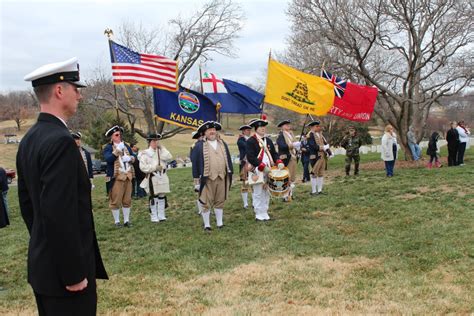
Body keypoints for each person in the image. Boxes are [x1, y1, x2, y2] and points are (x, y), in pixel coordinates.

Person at [17, 57, 108, 315]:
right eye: (75, 88)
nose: (79, 95)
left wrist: (46, 246)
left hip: (45, 269)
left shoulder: (31, 139)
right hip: (66, 280)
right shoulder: (60, 142)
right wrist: (72, 273)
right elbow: (58, 214)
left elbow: (29, 208)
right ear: (59, 91)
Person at [192, 121, 233, 230]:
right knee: (206, 201)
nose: (212, 132)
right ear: (204, 132)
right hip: (207, 178)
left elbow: (228, 159)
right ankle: (207, 225)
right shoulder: (199, 145)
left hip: (221, 176)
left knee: (220, 200)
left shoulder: (222, 144)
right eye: (209, 130)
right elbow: (195, 163)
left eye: (213, 130)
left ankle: (220, 223)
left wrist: (229, 173)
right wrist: (196, 180)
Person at [246, 117, 280, 221]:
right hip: (257, 169)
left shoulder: (268, 140)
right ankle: (258, 213)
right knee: (258, 192)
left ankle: (265, 211)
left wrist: (279, 162)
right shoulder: (251, 141)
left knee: (267, 191)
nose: (263, 128)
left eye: (264, 127)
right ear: (256, 128)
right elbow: (250, 157)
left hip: (269, 169)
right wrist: (261, 166)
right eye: (260, 127)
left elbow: (274, 154)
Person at [103, 125, 136, 227]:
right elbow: (108, 159)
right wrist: (117, 150)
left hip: (128, 176)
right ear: (112, 137)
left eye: (120, 134)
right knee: (116, 200)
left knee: (127, 200)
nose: (119, 136)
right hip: (116, 177)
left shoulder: (125, 146)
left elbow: (134, 157)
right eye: (116, 135)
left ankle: (126, 221)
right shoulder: (108, 147)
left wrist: (129, 158)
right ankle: (117, 221)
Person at [138, 133, 173, 222]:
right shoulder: (145, 153)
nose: (156, 142)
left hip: (163, 175)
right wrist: (154, 168)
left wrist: (162, 147)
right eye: (154, 141)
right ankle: (154, 216)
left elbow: (169, 157)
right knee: (154, 196)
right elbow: (143, 167)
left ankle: (161, 215)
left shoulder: (161, 151)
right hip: (153, 176)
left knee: (162, 195)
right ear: (149, 142)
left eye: (157, 140)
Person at [276, 120, 300, 201]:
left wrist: (297, 146)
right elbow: (282, 146)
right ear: (282, 127)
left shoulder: (290, 135)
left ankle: (290, 194)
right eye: (286, 125)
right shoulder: (280, 136)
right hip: (286, 158)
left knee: (292, 177)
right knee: (286, 178)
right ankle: (285, 196)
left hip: (293, 157)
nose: (288, 126)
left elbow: (294, 144)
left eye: (288, 124)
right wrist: (292, 145)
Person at [307, 120, 330, 195]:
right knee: (314, 173)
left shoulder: (320, 134)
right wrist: (323, 147)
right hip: (315, 157)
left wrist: (328, 151)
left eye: (318, 126)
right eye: (317, 126)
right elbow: (313, 146)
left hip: (322, 156)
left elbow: (324, 143)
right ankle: (314, 191)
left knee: (321, 173)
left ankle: (319, 190)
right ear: (312, 127)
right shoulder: (310, 135)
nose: (318, 127)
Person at [237, 125, 253, 209]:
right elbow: (247, 147)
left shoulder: (251, 139)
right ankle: (245, 203)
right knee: (245, 183)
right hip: (245, 163)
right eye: (247, 130)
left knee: (254, 182)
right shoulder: (240, 140)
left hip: (252, 163)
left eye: (249, 130)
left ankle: (254, 202)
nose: (249, 131)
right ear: (243, 131)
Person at [190, 131, 204, 215]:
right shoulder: (194, 146)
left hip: (202, 171)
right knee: (200, 191)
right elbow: (193, 160)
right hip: (199, 171)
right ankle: (201, 209)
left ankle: (205, 208)